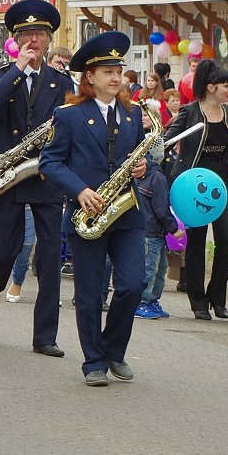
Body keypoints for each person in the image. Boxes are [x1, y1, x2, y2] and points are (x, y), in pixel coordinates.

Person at [39, 31, 146, 386]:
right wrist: (79, 190)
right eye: (108, 71)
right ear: (89, 77)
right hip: (89, 212)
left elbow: (140, 159)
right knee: (87, 292)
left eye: (118, 70)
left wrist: (145, 168)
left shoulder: (132, 115)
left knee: (132, 284)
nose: (116, 77)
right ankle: (94, 362)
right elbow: (50, 164)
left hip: (126, 211)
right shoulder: (68, 115)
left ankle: (114, 350)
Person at [0, 0, 73, 358]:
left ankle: (44, 336)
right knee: (3, 252)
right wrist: (18, 70)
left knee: (48, 257)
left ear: (48, 39)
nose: (34, 40)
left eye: (40, 34)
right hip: (5, 174)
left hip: (45, 175)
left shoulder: (61, 82)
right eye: (27, 34)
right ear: (15, 40)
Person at [164, 59, 228, 320]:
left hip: (222, 187)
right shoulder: (189, 112)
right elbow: (168, 137)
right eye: (225, 85)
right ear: (210, 87)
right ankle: (198, 301)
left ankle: (217, 298)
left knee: (227, 242)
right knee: (196, 244)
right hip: (192, 187)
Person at [134, 137, 180, 320]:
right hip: (152, 231)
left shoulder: (143, 175)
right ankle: (142, 302)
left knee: (160, 268)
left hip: (153, 232)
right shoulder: (157, 177)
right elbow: (161, 208)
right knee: (150, 269)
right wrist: (174, 228)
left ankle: (152, 300)